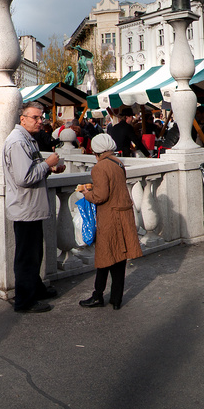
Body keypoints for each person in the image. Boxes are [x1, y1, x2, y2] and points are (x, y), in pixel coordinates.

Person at [5, 102, 64, 312]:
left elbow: (30, 170)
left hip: (29, 206)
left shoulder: (26, 139)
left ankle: (35, 288)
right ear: (23, 118)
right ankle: (24, 301)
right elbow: (24, 177)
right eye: (36, 118)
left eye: (42, 118)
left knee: (34, 253)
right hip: (25, 206)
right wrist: (47, 164)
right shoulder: (18, 142)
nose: (41, 122)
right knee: (27, 256)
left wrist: (49, 169)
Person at [76, 132, 143, 309]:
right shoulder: (118, 163)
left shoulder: (99, 167)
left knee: (104, 257)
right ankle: (116, 299)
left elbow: (100, 196)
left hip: (109, 217)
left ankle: (98, 296)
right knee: (119, 257)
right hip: (124, 214)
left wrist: (85, 193)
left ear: (95, 151)